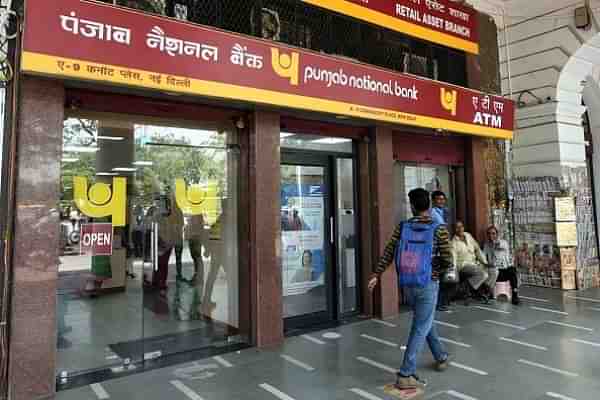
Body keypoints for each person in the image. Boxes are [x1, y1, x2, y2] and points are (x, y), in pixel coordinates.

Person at [368, 188, 452, 390]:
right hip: (427, 284)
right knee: (421, 325)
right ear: (429, 205)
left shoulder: (403, 226)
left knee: (425, 320)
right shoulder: (438, 228)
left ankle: (440, 356)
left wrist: (376, 274)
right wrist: (434, 270)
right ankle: (406, 373)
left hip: (407, 282)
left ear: (412, 206)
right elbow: (448, 259)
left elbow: (389, 251)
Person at [451, 221, 491, 303]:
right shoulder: (453, 243)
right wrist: (454, 270)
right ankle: (466, 291)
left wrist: (485, 262)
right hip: (463, 266)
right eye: (457, 227)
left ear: (463, 227)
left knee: (493, 271)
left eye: (461, 226)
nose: (460, 229)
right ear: (454, 229)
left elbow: (477, 249)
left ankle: (483, 293)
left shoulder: (468, 236)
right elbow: (453, 258)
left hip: (475, 263)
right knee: (482, 274)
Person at [483, 225, 520, 305]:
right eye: (489, 234)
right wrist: (487, 264)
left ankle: (515, 295)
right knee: (491, 271)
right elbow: (483, 257)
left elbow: (499, 245)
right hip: (494, 271)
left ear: (497, 234)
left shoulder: (503, 243)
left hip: (504, 270)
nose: (491, 236)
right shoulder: (486, 245)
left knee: (512, 270)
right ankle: (488, 293)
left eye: (493, 233)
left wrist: (494, 243)